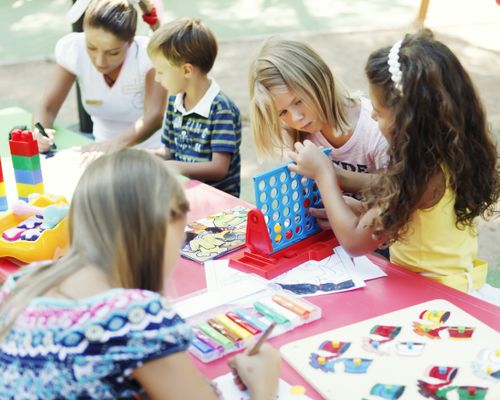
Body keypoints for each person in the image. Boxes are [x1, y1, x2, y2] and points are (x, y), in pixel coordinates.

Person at [0, 149, 280, 399]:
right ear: (162, 225)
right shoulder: (135, 317)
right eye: (181, 233)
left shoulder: (22, 283)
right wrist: (264, 386)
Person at [287, 30, 500, 304]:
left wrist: (324, 175)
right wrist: (358, 202)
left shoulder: (418, 174)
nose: (372, 115)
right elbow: (413, 208)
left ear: (408, 118)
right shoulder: (448, 151)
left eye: (378, 110)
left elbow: (354, 242)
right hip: (455, 281)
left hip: (432, 297)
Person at [249, 38, 389, 199]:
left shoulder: (376, 127)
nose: (296, 118)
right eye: (282, 113)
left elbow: (400, 189)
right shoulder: (295, 133)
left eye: (299, 101)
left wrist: (328, 173)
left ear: (322, 79)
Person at [33, 0, 166, 153]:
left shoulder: (148, 55)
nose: (100, 61)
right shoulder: (73, 50)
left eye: (113, 52)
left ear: (130, 42)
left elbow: (154, 116)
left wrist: (110, 146)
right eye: (91, 48)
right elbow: (47, 108)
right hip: (98, 149)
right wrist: (39, 133)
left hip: (152, 153)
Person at [147, 18, 242, 197]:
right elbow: (170, 151)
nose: (157, 79)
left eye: (160, 72)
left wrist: (176, 167)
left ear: (187, 71)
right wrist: (146, 155)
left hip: (218, 202)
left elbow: (219, 168)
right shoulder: (175, 101)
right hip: (185, 194)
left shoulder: (221, 109)